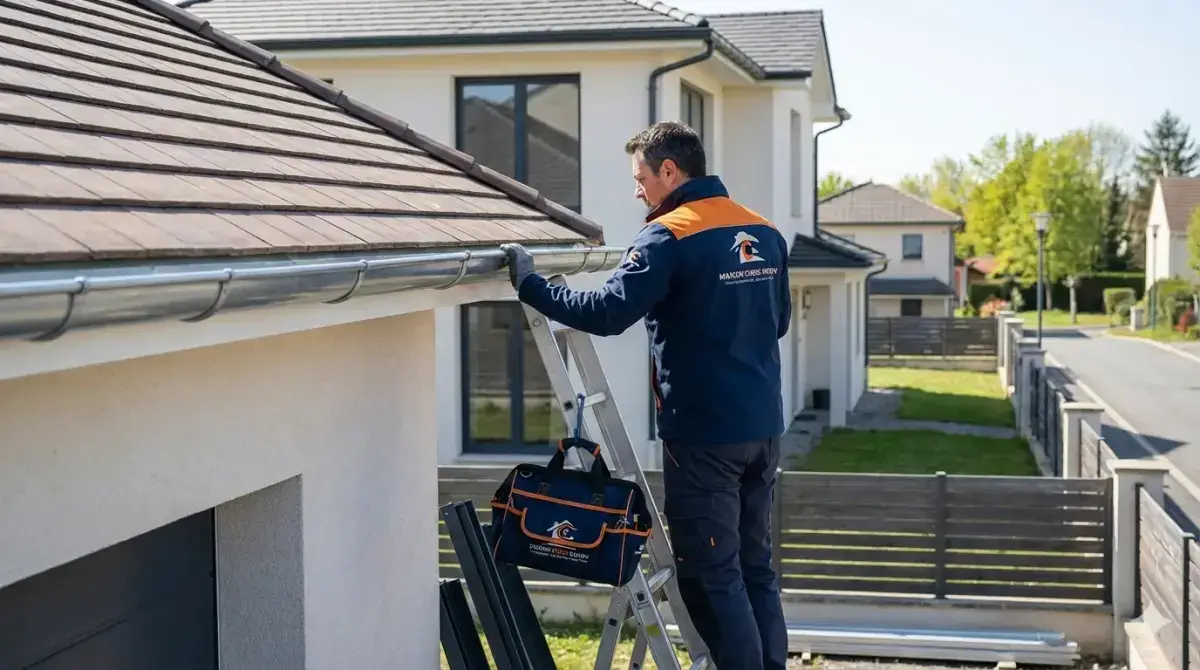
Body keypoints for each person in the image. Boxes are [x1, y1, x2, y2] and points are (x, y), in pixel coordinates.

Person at [500, 121, 790, 670]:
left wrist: (533, 286)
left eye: (641, 178)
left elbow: (608, 313)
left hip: (703, 435)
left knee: (715, 574)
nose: (638, 191)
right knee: (756, 569)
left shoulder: (669, 235)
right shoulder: (763, 229)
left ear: (670, 172)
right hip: (763, 429)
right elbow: (777, 322)